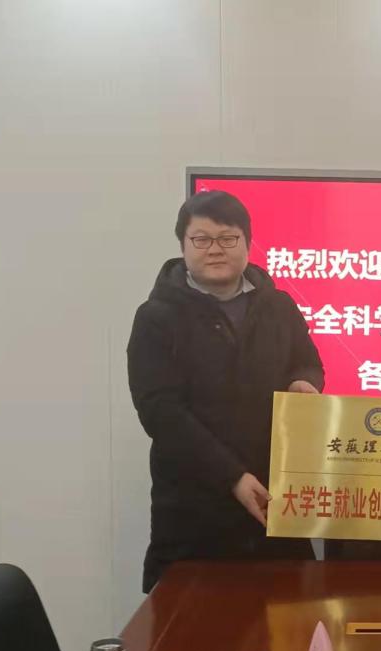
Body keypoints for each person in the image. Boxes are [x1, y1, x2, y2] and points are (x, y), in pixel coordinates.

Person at [128, 191, 323, 592]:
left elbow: (307, 362)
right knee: (194, 623)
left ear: (247, 243)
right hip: (194, 511)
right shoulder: (156, 317)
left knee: (287, 618)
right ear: (183, 245)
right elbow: (160, 413)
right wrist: (232, 476)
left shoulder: (278, 305)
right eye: (201, 239)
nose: (215, 249)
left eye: (228, 238)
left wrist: (304, 383)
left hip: (275, 500)